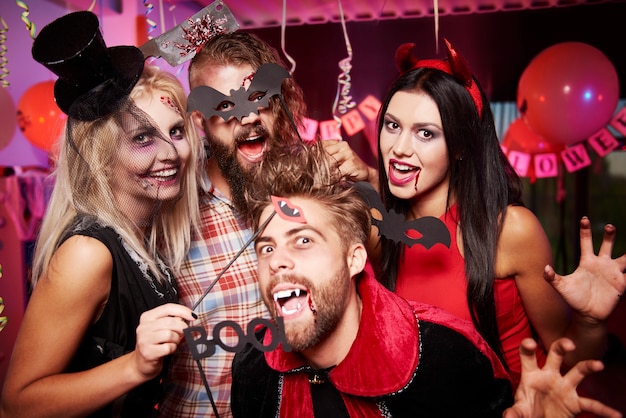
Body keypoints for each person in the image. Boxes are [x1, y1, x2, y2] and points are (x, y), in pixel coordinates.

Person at [230, 139, 622, 418]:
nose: (278, 260)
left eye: (302, 240)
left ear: (354, 259)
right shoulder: (253, 365)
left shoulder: (449, 357)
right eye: (266, 247)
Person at [363, 38, 626, 386]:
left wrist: (591, 323)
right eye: (392, 125)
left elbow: (567, 359)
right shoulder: (376, 230)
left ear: (459, 146)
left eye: (425, 133)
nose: (398, 148)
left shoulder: (510, 230)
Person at [0, 11, 201, 417]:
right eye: (143, 138)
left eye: (176, 132)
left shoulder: (143, 236)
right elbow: (16, 405)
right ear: (101, 158)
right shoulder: (88, 253)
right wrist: (135, 366)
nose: (170, 153)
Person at [159, 31, 308, 418]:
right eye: (225, 104)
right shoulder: (167, 218)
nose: (248, 116)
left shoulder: (310, 196)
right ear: (200, 120)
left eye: (259, 97)